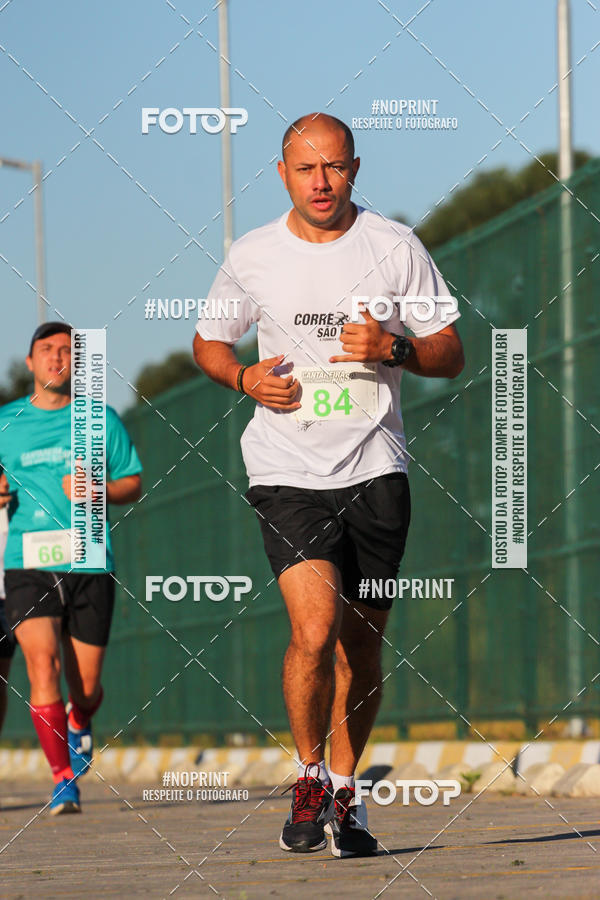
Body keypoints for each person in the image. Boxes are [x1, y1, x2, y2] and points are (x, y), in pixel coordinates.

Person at [193, 113, 464, 858]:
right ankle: (309, 776)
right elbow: (209, 340)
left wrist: (394, 347)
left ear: (355, 168)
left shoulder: (394, 246)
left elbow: (451, 350)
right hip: (287, 469)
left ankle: (348, 794)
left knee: (363, 647)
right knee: (312, 630)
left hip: (377, 467)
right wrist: (244, 375)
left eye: (335, 167)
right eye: (306, 168)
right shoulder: (254, 255)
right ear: (281, 172)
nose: (321, 181)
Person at [0, 322, 142, 815]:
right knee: (43, 665)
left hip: (89, 560)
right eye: (47, 350)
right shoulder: (6, 422)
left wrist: (99, 489)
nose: (57, 358)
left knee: (83, 687)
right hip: (26, 563)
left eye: (66, 351)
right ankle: (63, 779)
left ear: (76, 363)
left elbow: (133, 484)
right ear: (30, 363)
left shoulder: (98, 418)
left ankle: (80, 718)